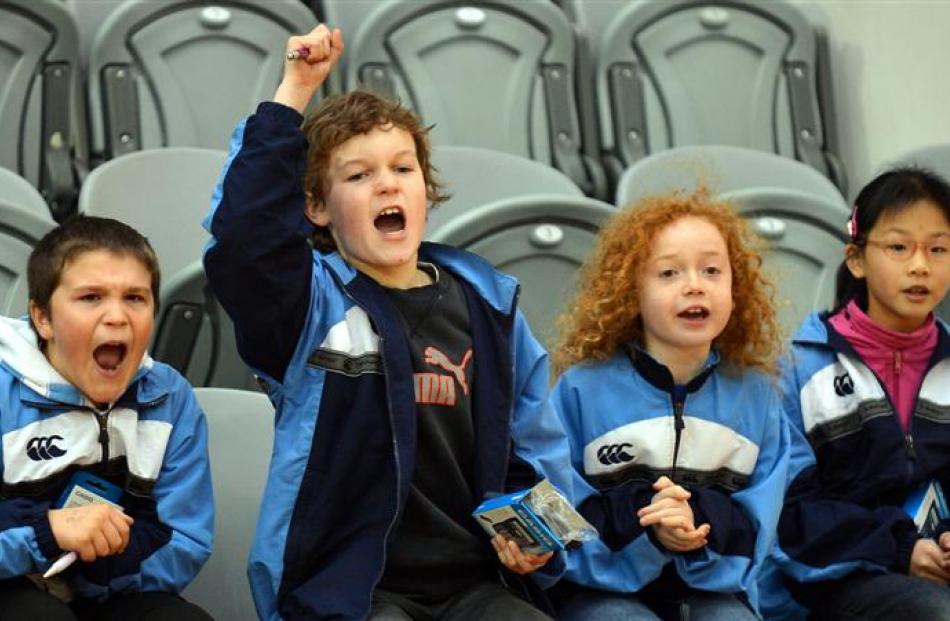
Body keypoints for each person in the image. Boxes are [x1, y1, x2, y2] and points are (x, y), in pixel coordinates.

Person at [202, 25, 575, 621]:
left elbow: (534, 450)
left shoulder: (491, 308)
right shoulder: (307, 306)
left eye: (403, 168)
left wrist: (537, 541)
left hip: (474, 582)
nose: (386, 183)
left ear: (426, 189)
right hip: (349, 589)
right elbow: (245, 239)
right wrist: (294, 91)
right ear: (317, 209)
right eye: (357, 176)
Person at [548, 192, 790, 620]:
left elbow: (756, 529)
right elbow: (562, 518)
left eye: (712, 270)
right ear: (630, 292)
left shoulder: (757, 395)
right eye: (669, 273)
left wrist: (693, 523)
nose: (694, 284)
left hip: (715, 590)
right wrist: (652, 531)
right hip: (600, 590)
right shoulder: (580, 390)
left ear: (736, 288)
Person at [760, 167, 950, 621]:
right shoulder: (797, 369)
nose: (920, 265)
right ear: (857, 259)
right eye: (899, 247)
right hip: (831, 580)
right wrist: (901, 549)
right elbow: (792, 516)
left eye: (938, 249)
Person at [0, 216, 213, 620]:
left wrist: (94, 561)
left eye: (135, 298)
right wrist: (49, 532)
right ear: (42, 318)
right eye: (91, 298)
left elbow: (184, 541)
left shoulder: (171, 399)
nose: (117, 317)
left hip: (111, 586)